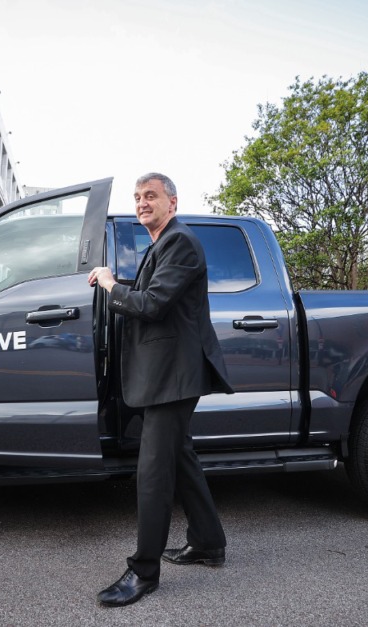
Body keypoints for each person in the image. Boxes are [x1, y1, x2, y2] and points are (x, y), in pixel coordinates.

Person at [88, 173, 233, 607]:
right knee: (181, 458)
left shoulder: (180, 242)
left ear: (172, 201)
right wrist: (116, 284)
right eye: (137, 198)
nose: (141, 203)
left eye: (150, 196)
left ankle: (143, 571)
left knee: (153, 472)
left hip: (174, 376)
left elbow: (151, 305)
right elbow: (151, 294)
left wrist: (112, 285)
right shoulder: (164, 243)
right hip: (167, 373)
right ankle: (208, 542)